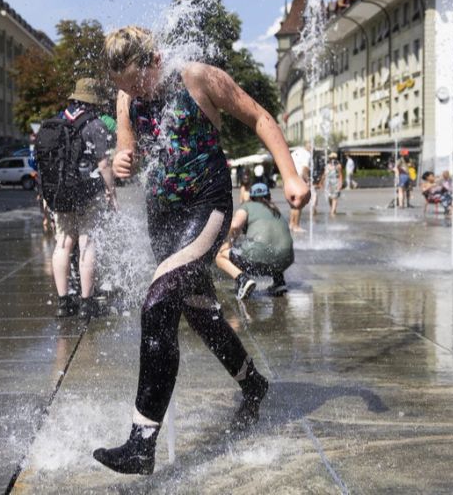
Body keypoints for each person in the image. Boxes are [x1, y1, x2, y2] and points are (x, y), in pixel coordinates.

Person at [93, 26, 309, 475]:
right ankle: (253, 384)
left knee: (156, 304)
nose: (133, 93)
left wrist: (289, 176)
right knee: (199, 312)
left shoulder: (198, 78)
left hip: (205, 207)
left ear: (155, 60)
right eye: (124, 87)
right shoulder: (125, 96)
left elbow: (260, 118)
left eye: (137, 82)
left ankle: (141, 442)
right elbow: (126, 154)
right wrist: (120, 161)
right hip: (162, 217)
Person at [47, 78, 116, 319]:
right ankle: (87, 302)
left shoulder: (57, 121)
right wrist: (111, 191)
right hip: (88, 191)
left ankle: (63, 302)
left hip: (60, 192)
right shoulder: (96, 124)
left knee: (63, 244)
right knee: (87, 242)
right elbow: (104, 164)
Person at [216, 182, 294, 299]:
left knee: (220, 256)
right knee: (272, 247)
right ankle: (279, 282)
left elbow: (235, 225)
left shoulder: (247, 206)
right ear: (269, 196)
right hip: (287, 259)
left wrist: (228, 243)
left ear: (251, 197)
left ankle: (243, 280)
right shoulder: (275, 210)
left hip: (259, 254)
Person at [289, 145, 311, 232]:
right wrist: (307, 180)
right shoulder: (307, 154)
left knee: (293, 204)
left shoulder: (295, 152)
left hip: (290, 179)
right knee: (299, 204)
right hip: (299, 179)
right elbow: (304, 169)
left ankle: (291, 223)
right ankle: (296, 226)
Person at [319, 152, 342, 217]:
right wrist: (321, 182)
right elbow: (324, 175)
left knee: (334, 197)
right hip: (328, 183)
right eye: (331, 158)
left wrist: (340, 184)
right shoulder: (327, 166)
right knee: (329, 197)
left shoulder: (338, 166)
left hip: (336, 182)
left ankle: (332, 212)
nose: (332, 159)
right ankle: (333, 209)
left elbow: (340, 175)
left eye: (334, 158)